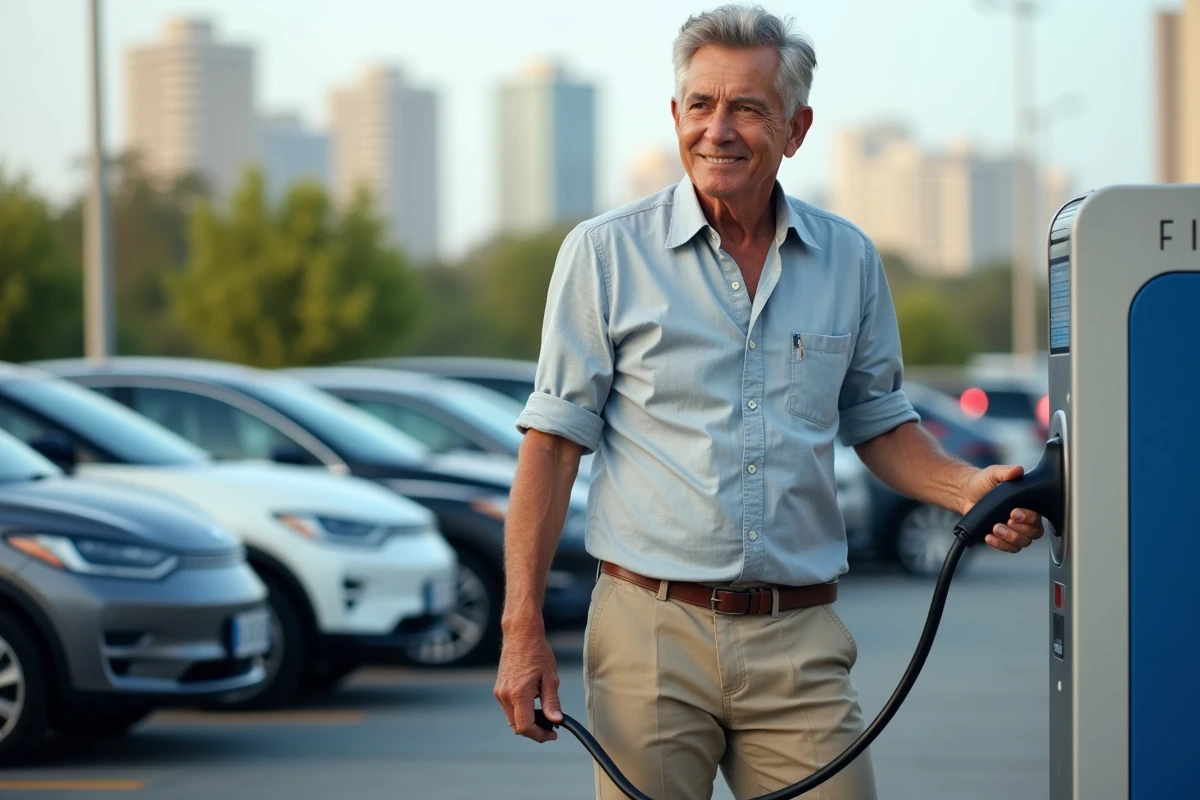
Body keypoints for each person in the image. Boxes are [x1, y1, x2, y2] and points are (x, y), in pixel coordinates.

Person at [493, 5, 1046, 799]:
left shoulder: (848, 260)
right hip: (649, 631)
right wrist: (522, 633)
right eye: (700, 105)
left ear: (796, 128)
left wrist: (971, 490)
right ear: (676, 115)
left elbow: (880, 422)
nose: (718, 129)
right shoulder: (606, 254)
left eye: (748, 108)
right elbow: (550, 446)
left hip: (800, 636)